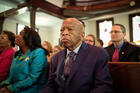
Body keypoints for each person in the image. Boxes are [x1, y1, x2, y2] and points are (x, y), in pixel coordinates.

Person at [40, 18, 112, 93]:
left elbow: (103, 86)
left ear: (82, 35)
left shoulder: (98, 53)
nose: (64, 33)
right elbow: (51, 85)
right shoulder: (56, 58)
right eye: (62, 30)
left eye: (70, 29)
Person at [0, 26, 48, 93]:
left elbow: (33, 78)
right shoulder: (17, 54)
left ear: (29, 38)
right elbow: (11, 76)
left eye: (21, 34)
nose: (17, 35)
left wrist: (12, 88)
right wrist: (5, 85)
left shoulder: (38, 52)